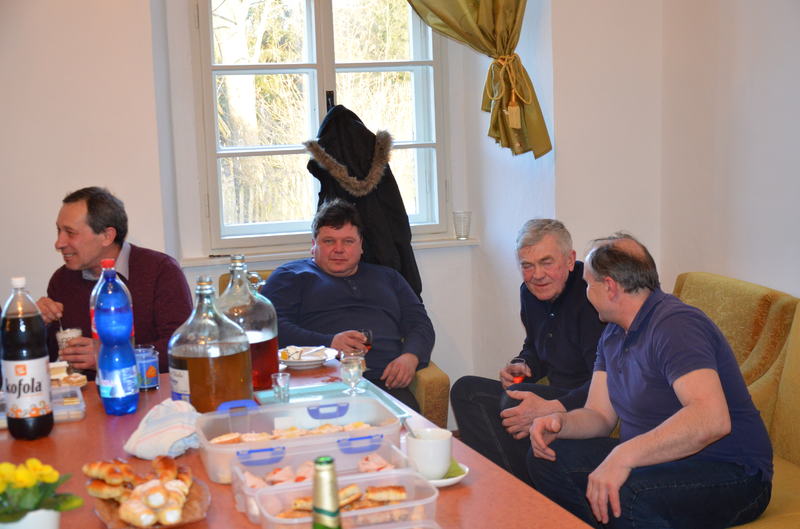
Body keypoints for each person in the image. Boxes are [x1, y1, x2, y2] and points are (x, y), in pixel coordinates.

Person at [527, 234, 772, 528]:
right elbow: (600, 415)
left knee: (627, 495)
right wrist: (561, 423)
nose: (586, 292)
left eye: (588, 284)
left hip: (732, 472)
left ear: (610, 287)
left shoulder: (675, 325)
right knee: (548, 458)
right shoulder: (613, 333)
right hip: (659, 461)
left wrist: (623, 456)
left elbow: (711, 420)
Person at [450, 219, 605, 483]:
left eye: (546, 262)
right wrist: (522, 364)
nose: (537, 275)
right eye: (527, 265)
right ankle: (506, 479)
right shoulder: (530, 292)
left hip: (588, 403)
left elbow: (606, 384)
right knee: (465, 390)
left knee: (514, 402)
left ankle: (519, 484)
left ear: (570, 260)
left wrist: (553, 406)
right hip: (555, 390)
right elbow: (534, 345)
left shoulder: (592, 296)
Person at [261, 198, 434, 410]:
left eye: (348, 241)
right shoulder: (290, 276)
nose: (339, 249)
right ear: (313, 245)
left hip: (384, 382)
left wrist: (410, 357)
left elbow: (420, 324)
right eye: (329, 241)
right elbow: (270, 328)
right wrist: (328, 343)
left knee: (406, 428)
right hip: (318, 383)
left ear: (361, 246)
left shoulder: (390, 277)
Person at [36, 187, 193, 376]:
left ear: (107, 236)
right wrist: (38, 325)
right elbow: (54, 361)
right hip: (86, 392)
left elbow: (181, 349)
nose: (59, 243)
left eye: (70, 233)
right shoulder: (62, 280)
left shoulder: (161, 271)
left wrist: (109, 356)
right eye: (59, 231)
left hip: (147, 389)